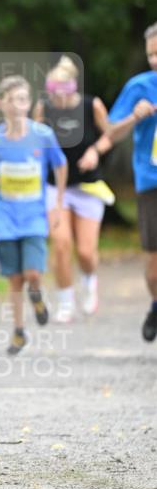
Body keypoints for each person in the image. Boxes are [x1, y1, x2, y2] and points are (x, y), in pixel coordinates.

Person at [0, 75, 67, 354]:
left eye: (24, 99)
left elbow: (60, 165)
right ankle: (19, 332)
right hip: (4, 219)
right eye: (13, 100)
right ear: (1, 103)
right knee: (15, 279)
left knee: (33, 273)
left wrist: (57, 203)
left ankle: (37, 295)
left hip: (34, 218)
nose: (19, 105)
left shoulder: (42, 135)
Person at [34, 56, 114, 322]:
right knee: (60, 244)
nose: (56, 101)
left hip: (88, 187)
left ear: (71, 90)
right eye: (52, 94)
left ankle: (90, 280)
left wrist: (95, 150)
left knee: (86, 252)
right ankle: (65, 300)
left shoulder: (92, 106)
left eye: (61, 95)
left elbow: (110, 134)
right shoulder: (43, 108)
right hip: (55, 189)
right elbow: (36, 141)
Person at [106, 22, 157, 342]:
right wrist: (133, 117)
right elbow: (111, 133)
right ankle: (155, 303)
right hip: (151, 182)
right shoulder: (139, 86)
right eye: (152, 54)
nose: (156, 60)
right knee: (153, 268)